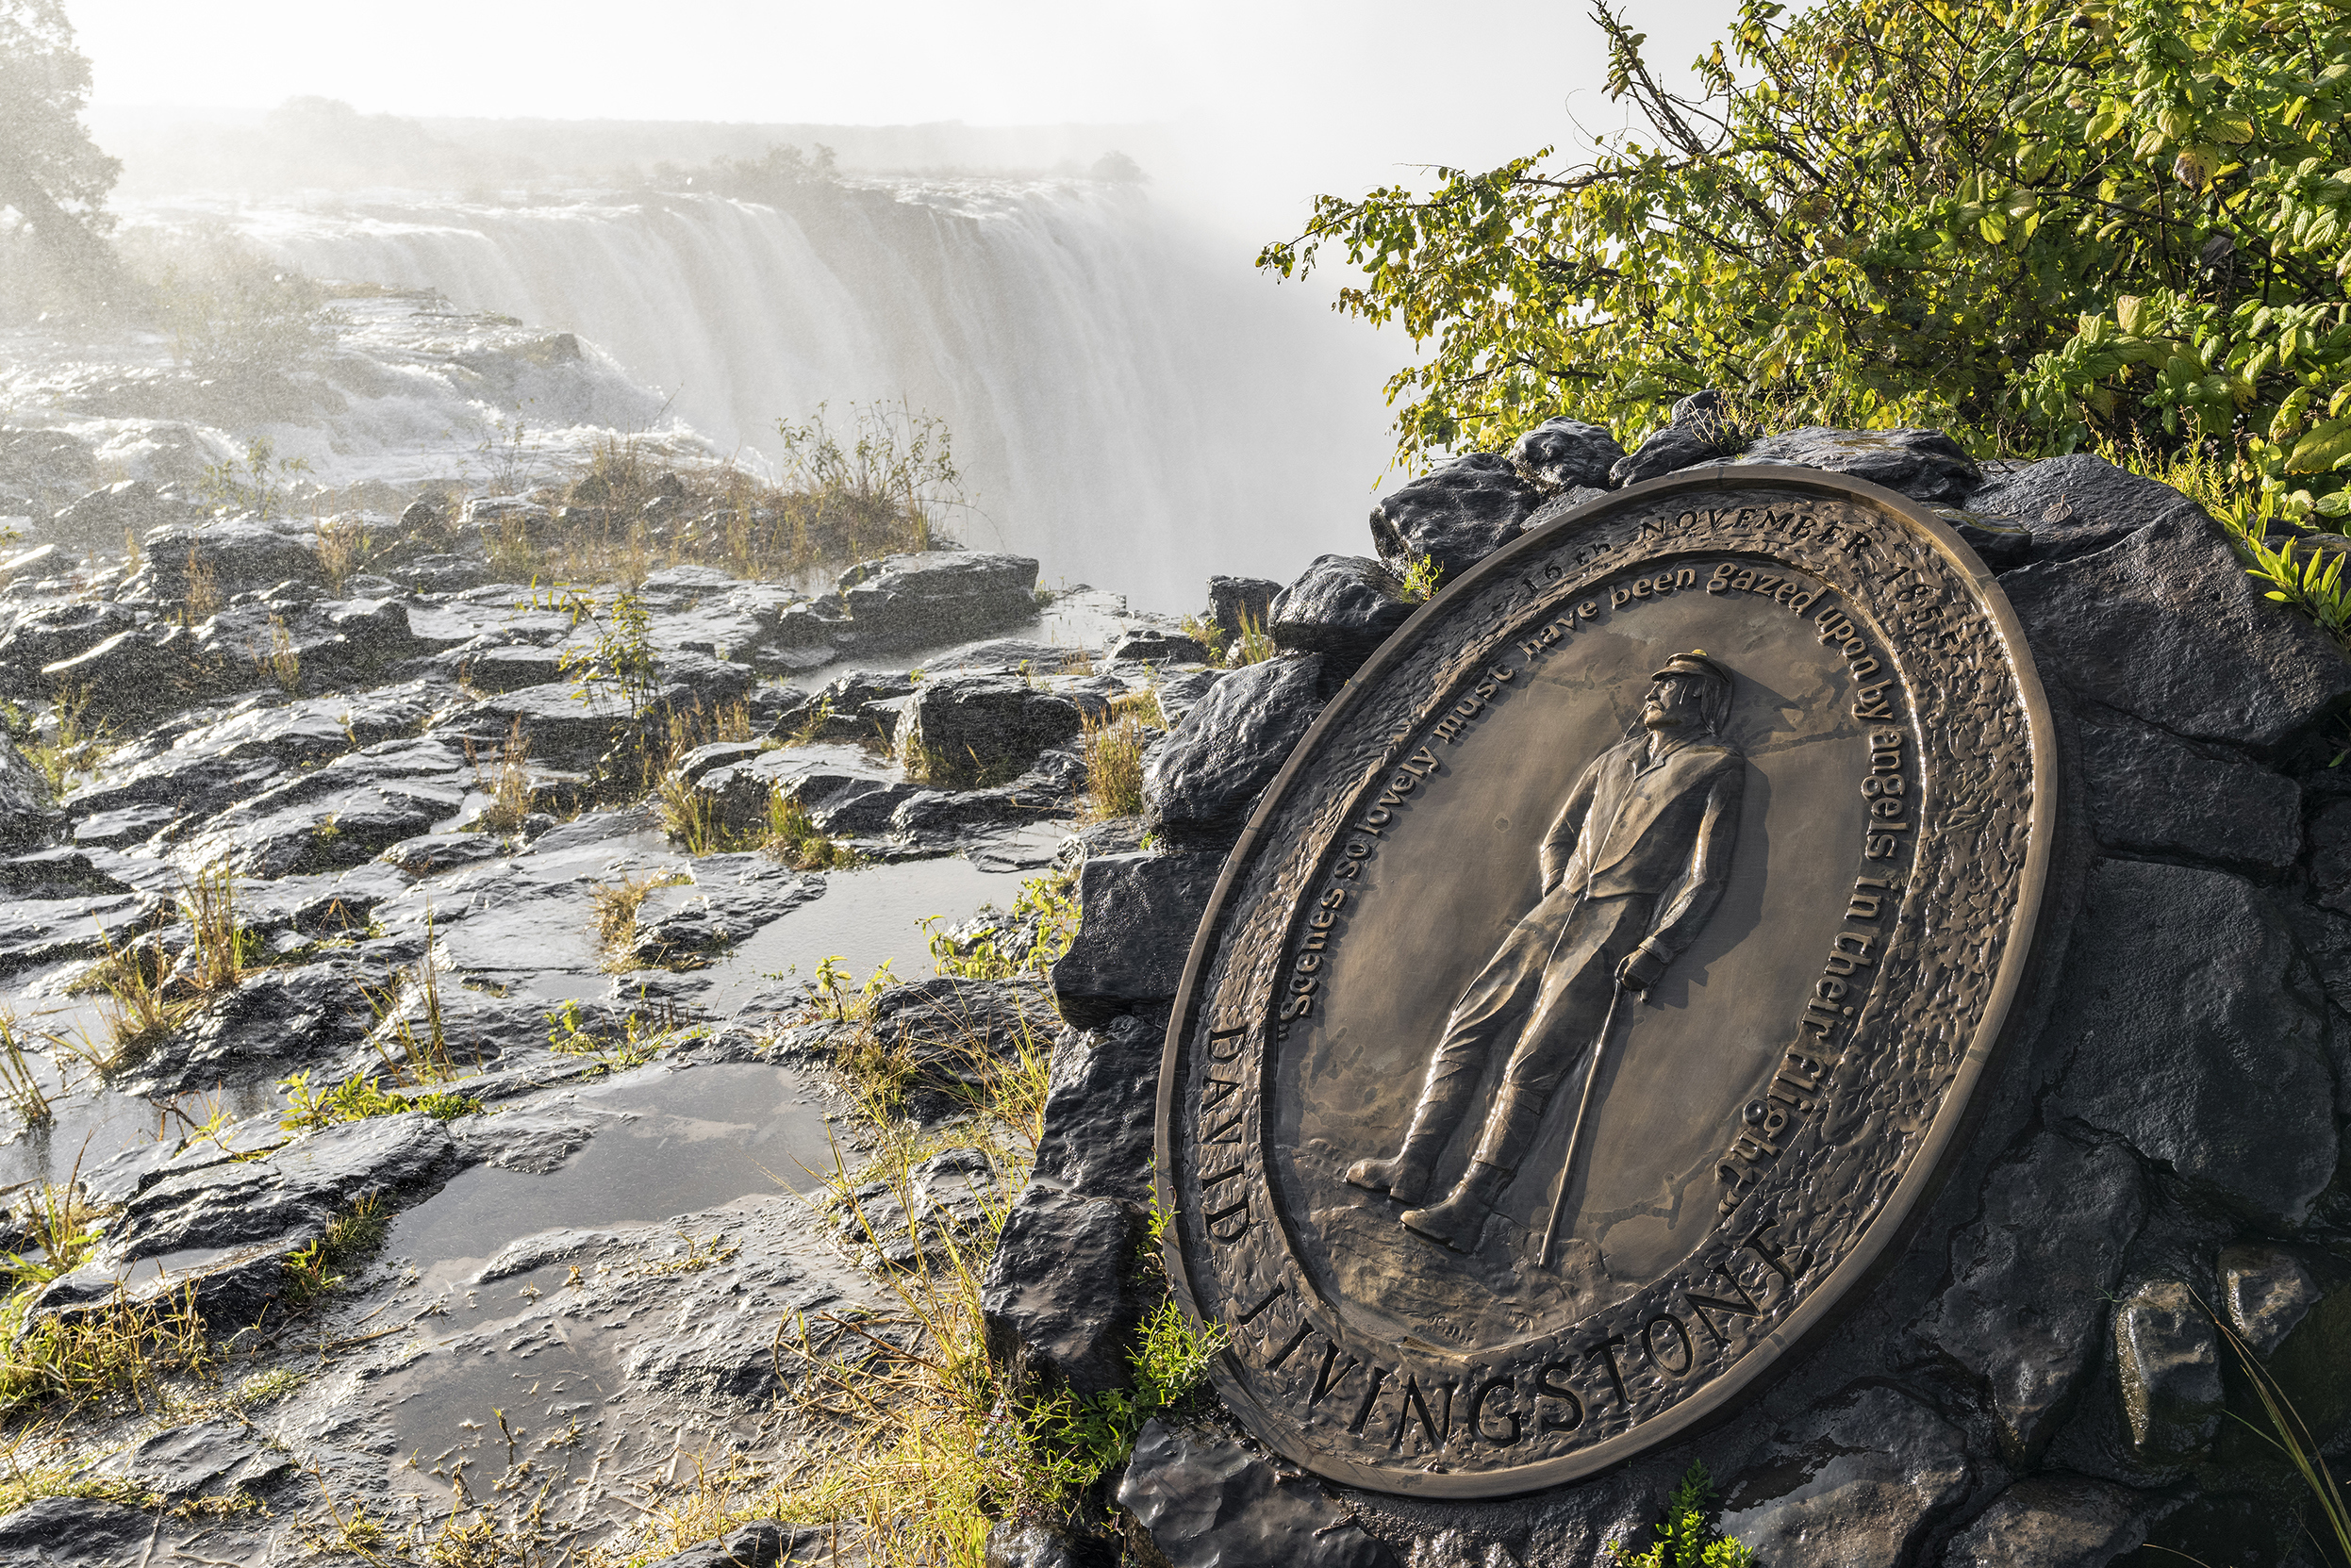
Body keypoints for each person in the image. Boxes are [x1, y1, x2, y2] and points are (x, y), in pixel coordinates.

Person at [1346, 650, 1745, 1251]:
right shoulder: (1612, 759)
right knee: (1467, 1028)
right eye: (1657, 680)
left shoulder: (1716, 765)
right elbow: (1557, 834)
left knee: (1531, 1065)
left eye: (1671, 684)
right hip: (1553, 913)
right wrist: (1559, 888)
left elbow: (1706, 878)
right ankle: (1412, 1164)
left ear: (1700, 698)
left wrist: (1661, 946)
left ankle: (1470, 1208)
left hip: (1614, 923)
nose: (1654, 690)